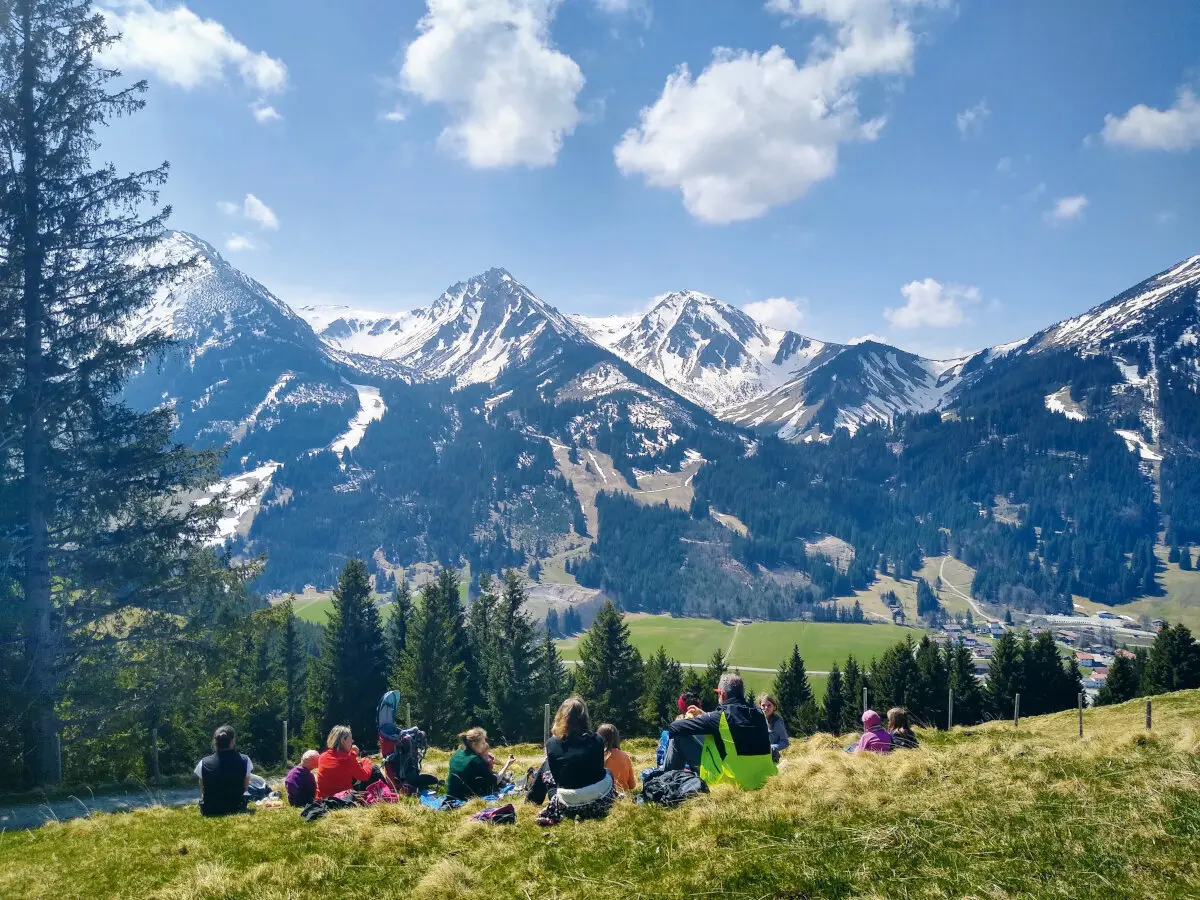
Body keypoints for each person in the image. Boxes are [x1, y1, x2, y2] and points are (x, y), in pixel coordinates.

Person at [666, 674, 777, 790]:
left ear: (722, 694)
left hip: (733, 782)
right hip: (763, 780)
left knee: (678, 739)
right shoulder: (760, 714)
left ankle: (666, 782)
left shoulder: (719, 717)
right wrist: (704, 715)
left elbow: (674, 728)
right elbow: (733, 725)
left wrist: (693, 719)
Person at [537, 697, 614, 826]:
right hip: (599, 801)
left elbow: (557, 779)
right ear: (584, 718)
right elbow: (599, 769)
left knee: (546, 767)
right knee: (608, 772)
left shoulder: (551, 743)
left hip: (569, 803)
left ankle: (532, 799)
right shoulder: (597, 739)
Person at [194, 724, 253, 817]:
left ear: (215, 741)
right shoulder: (245, 760)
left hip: (210, 809)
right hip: (237, 806)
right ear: (233, 741)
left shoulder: (203, 763)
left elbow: (203, 791)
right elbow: (245, 789)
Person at [446, 727, 514, 801]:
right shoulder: (475, 760)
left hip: (451, 794)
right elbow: (495, 781)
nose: (485, 745)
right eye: (483, 743)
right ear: (474, 744)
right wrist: (507, 764)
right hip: (464, 797)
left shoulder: (458, 753)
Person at [315, 725, 375, 799]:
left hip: (322, 798)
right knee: (375, 770)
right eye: (350, 738)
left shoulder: (322, 756)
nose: (352, 741)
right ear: (343, 740)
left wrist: (352, 754)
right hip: (342, 799)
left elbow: (339, 766)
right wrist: (366, 761)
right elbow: (364, 776)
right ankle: (384, 793)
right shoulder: (347, 759)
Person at [597, 723, 635, 792]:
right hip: (623, 795)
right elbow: (632, 785)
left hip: (604, 795)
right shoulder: (625, 756)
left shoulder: (597, 756)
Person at [759, 695, 790, 763]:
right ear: (759, 707)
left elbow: (785, 742)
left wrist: (772, 747)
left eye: (769, 705)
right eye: (763, 705)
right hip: (758, 756)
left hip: (772, 757)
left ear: (774, 707)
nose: (766, 708)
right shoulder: (758, 720)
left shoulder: (777, 721)